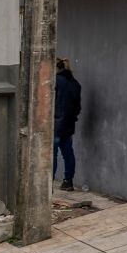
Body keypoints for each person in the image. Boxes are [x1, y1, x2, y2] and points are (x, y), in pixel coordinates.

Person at [53, 58, 82, 192]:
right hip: (68, 124)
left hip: (55, 124)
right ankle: (68, 181)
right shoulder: (74, 83)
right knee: (68, 153)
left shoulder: (55, 82)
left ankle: (48, 184)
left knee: (51, 155)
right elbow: (77, 107)